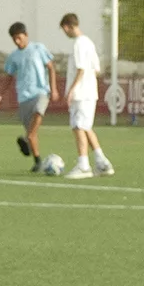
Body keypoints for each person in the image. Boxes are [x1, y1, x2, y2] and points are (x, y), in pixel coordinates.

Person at [58, 13, 114, 178]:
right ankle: (102, 163)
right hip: (89, 92)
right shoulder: (89, 42)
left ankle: (83, 166)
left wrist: (71, 90)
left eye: (64, 29)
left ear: (68, 26)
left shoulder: (79, 44)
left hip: (81, 94)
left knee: (79, 127)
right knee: (86, 127)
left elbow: (81, 69)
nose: (65, 33)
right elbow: (96, 69)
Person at [3, 21, 59, 171]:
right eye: (14, 39)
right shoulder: (13, 57)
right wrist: (0, 95)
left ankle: (27, 140)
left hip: (41, 92)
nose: (17, 41)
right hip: (23, 97)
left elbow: (51, 67)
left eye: (19, 38)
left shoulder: (38, 48)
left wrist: (53, 89)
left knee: (37, 115)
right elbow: (9, 76)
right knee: (32, 133)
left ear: (26, 35)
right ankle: (37, 161)